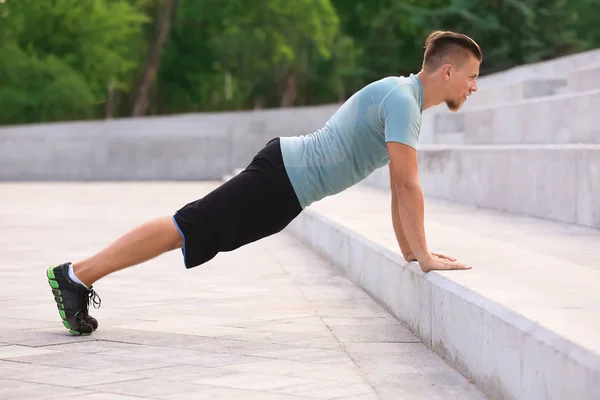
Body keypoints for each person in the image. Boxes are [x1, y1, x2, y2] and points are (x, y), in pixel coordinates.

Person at [46, 30, 481, 336]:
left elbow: (397, 183)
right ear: (447, 72)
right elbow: (407, 185)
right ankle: (77, 275)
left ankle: (78, 276)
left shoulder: (404, 98)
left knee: (188, 229)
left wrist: (411, 250)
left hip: (286, 185)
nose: (474, 87)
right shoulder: (403, 102)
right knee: (185, 227)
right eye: (472, 76)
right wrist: (424, 257)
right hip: (282, 179)